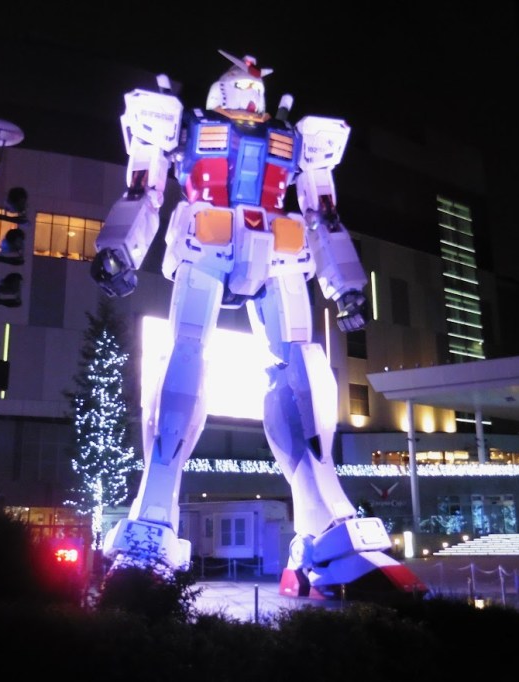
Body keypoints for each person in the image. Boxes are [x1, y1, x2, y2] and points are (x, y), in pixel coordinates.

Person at [91, 50, 424, 598]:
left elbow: (323, 213)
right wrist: (120, 246)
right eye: (240, 83)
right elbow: (142, 189)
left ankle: (324, 522)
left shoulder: (296, 137)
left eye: (256, 84)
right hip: (206, 240)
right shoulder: (182, 123)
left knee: (303, 367)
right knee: (184, 359)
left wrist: (344, 283)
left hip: (279, 251)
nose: (249, 90)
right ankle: (152, 520)